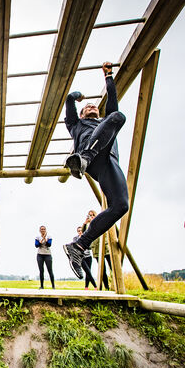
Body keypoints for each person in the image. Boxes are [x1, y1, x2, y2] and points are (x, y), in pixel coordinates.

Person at [62, 62, 129, 279]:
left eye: (95, 107)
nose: (92, 107)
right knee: (117, 117)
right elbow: (69, 102)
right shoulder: (76, 125)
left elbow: (113, 110)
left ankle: (79, 246)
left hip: (109, 162)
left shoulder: (104, 123)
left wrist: (109, 77)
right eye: (87, 107)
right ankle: (84, 158)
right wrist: (76, 96)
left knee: (120, 206)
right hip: (91, 161)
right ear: (81, 115)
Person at [82, 210, 111, 290]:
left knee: (111, 266)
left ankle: (114, 284)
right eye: (89, 215)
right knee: (103, 270)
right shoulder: (89, 226)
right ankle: (106, 287)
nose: (91, 216)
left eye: (93, 215)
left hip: (105, 247)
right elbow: (83, 232)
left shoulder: (100, 222)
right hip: (97, 250)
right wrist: (85, 223)